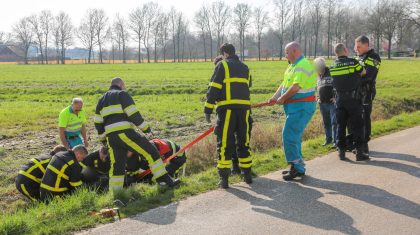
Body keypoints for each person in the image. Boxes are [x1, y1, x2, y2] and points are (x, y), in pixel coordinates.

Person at [94, 77, 180, 192]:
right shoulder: (122, 94)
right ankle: (164, 180)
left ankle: (116, 194)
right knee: (151, 152)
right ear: (121, 84)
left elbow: (98, 123)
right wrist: (146, 129)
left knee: (117, 166)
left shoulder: (101, 100)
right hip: (125, 132)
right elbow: (133, 114)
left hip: (111, 137)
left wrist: (104, 140)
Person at [205, 43, 253, 188]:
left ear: (224, 54)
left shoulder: (222, 66)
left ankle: (224, 179)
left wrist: (208, 109)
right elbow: (248, 85)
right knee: (243, 142)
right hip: (244, 111)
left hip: (227, 110)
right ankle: (247, 175)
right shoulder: (245, 67)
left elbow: (213, 88)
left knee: (225, 143)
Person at [269, 42, 317, 180]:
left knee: (289, 135)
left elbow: (296, 87)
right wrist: (274, 97)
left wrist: (282, 98)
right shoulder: (292, 66)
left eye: (286, 52)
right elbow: (285, 84)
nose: (285, 55)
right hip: (295, 107)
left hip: (302, 107)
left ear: (294, 51)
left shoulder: (303, 65)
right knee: (293, 136)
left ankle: (296, 167)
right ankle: (298, 167)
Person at [329, 43, 370, 161]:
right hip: (353, 99)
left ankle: (341, 152)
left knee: (341, 125)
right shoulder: (353, 62)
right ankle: (359, 153)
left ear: (335, 53)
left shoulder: (332, 66)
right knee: (358, 125)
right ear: (346, 50)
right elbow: (363, 72)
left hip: (339, 100)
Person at [213, 55, 241, 175]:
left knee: (225, 142)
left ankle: (228, 170)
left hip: (226, 114)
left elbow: (214, 93)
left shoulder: (222, 74)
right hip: (240, 112)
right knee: (237, 141)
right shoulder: (240, 72)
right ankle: (237, 167)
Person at [354, 35, 381, 154]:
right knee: (356, 118)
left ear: (366, 45)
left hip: (367, 92)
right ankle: (358, 143)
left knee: (364, 117)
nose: (356, 48)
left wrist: (353, 79)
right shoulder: (359, 57)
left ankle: (364, 144)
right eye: (356, 46)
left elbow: (369, 75)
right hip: (357, 91)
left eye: (358, 46)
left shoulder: (374, 57)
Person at [314, 57, 337, 148]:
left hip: (332, 103)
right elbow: (318, 88)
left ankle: (336, 141)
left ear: (323, 65)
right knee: (326, 122)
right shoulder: (318, 75)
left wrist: (335, 97)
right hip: (322, 103)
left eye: (318, 65)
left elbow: (337, 84)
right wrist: (318, 98)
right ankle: (328, 139)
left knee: (334, 122)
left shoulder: (331, 72)